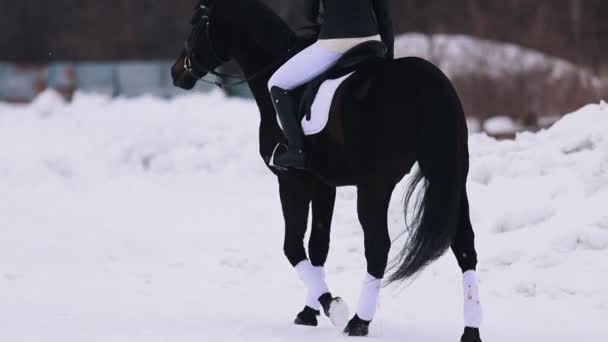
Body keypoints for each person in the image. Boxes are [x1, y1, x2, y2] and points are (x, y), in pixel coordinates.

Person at [268, 0, 394, 170]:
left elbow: (309, 13)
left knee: (276, 84)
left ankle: (296, 150)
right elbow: (384, 17)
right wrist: (389, 59)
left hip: (335, 42)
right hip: (372, 40)